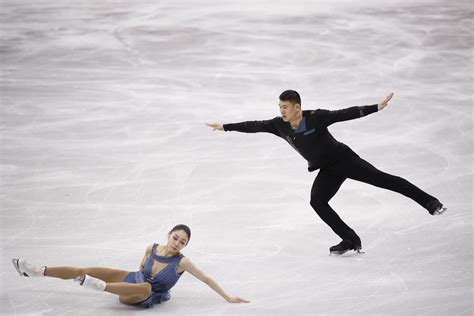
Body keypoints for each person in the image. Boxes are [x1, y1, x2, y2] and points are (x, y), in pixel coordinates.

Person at [206, 90, 446, 255]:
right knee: (317, 201)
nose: (282, 111)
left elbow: (344, 113)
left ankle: (430, 202)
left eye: (286, 107)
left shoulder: (315, 118)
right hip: (327, 169)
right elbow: (254, 126)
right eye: (280, 107)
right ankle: (350, 239)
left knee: (383, 180)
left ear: (297, 107)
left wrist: (375, 107)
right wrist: (226, 127)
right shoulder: (279, 125)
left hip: (344, 159)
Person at [12, 224, 249, 308]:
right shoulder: (152, 247)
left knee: (146, 287)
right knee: (84, 269)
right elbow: (141, 266)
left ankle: (100, 287)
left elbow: (206, 279)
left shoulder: (182, 262)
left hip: (141, 295)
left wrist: (227, 296)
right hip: (130, 279)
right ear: (169, 235)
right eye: (175, 237)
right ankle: (36, 271)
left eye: (183, 242)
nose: (177, 243)